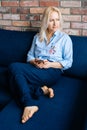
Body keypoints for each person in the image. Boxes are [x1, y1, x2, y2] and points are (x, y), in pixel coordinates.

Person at [8, 6, 73, 124]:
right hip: (36, 68)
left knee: (14, 67)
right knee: (8, 79)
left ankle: (29, 103)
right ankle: (40, 90)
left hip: (52, 71)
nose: (55, 23)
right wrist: (35, 62)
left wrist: (50, 65)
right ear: (45, 21)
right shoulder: (37, 37)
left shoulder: (64, 39)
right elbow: (29, 56)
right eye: (51, 20)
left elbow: (68, 62)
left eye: (57, 20)